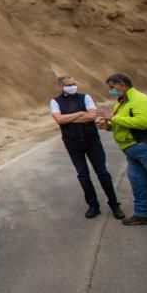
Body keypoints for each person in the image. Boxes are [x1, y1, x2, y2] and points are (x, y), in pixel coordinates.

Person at [96, 73, 147, 233]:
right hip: (134, 150)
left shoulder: (140, 100)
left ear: (122, 85)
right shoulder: (121, 102)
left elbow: (144, 122)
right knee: (138, 183)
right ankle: (143, 214)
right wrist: (109, 126)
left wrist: (113, 119)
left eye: (112, 88)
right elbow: (123, 123)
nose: (111, 91)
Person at [50, 75, 125, 219]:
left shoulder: (86, 97)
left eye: (74, 84)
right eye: (69, 85)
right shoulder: (55, 102)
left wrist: (69, 119)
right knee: (83, 176)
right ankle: (93, 206)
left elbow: (91, 116)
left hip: (92, 141)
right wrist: (79, 113)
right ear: (61, 87)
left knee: (103, 173)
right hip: (72, 143)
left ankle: (114, 205)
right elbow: (59, 120)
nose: (73, 86)